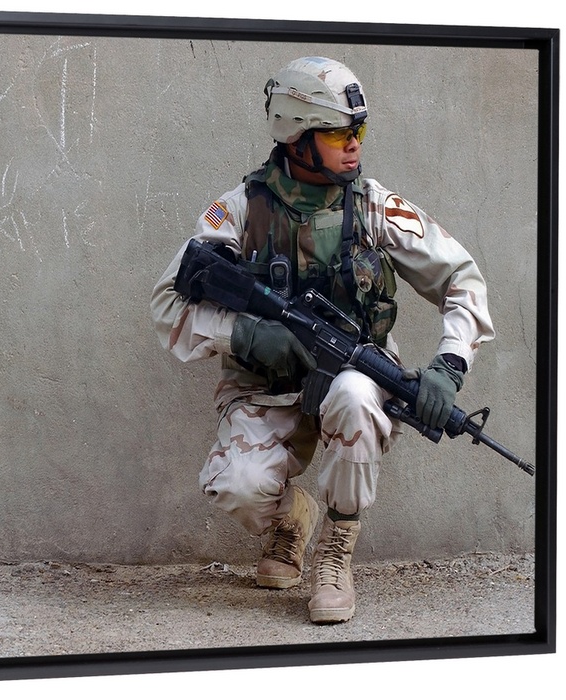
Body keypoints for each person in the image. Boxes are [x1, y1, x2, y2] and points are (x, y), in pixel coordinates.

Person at [150, 56, 494, 624]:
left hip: (354, 381)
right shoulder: (239, 210)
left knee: (356, 393)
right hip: (266, 388)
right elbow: (167, 304)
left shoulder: (375, 207)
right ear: (296, 135)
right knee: (236, 486)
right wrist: (247, 334)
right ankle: (292, 521)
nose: (354, 145)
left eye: (359, 131)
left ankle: (336, 549)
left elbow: (462, 277)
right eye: (337, 133)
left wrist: (450, 364)